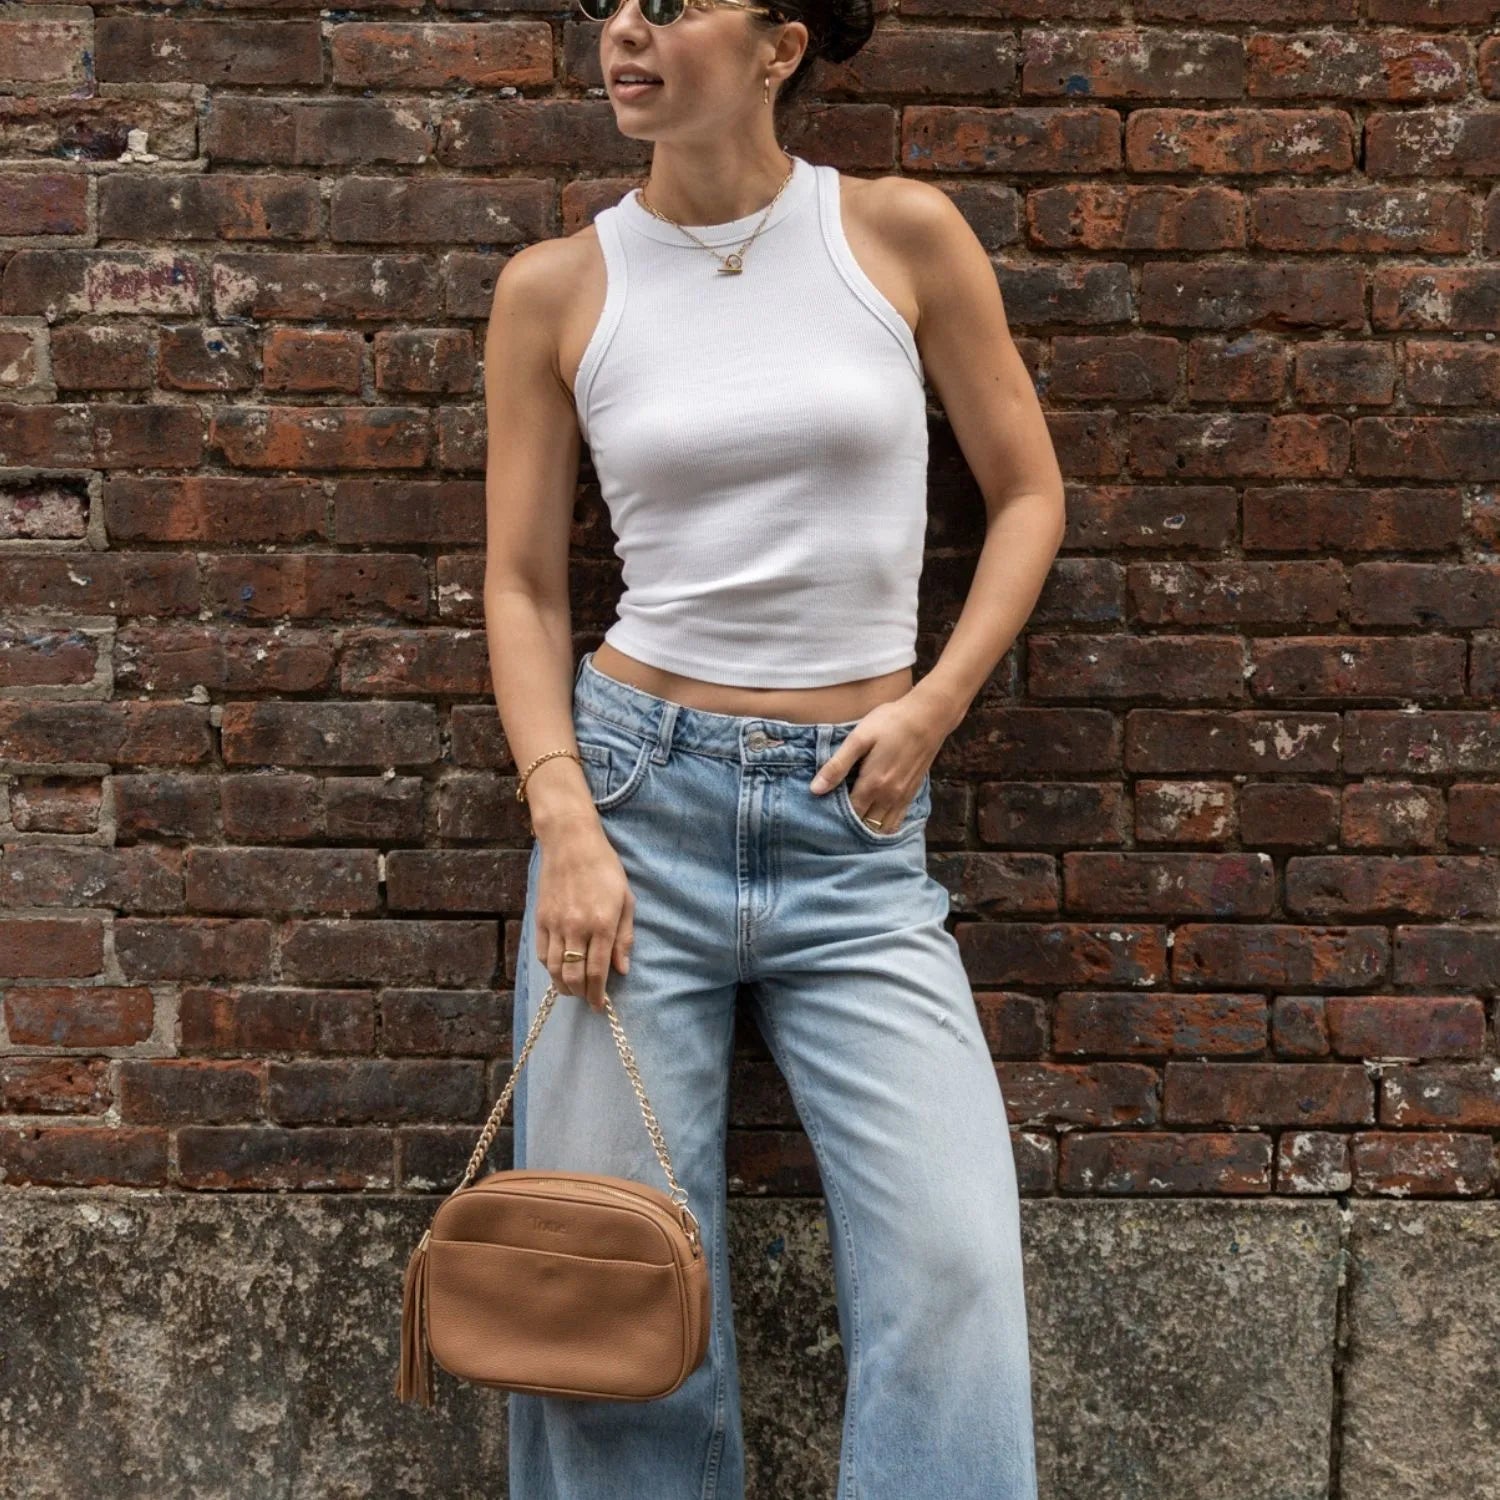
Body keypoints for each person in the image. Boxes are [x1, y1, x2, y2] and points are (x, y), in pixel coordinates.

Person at [482, 0, 1066, 1492]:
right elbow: (526, 583)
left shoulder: (896, 237)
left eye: (669, 5)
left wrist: (932, 705)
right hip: (630, 808)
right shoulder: (558, 286)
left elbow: (1027, 495)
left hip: (854, 837)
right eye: (609, 4)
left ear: (781, 44)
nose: (625, 31)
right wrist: (564, 822)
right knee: (609, 1295)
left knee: (951, 1265)